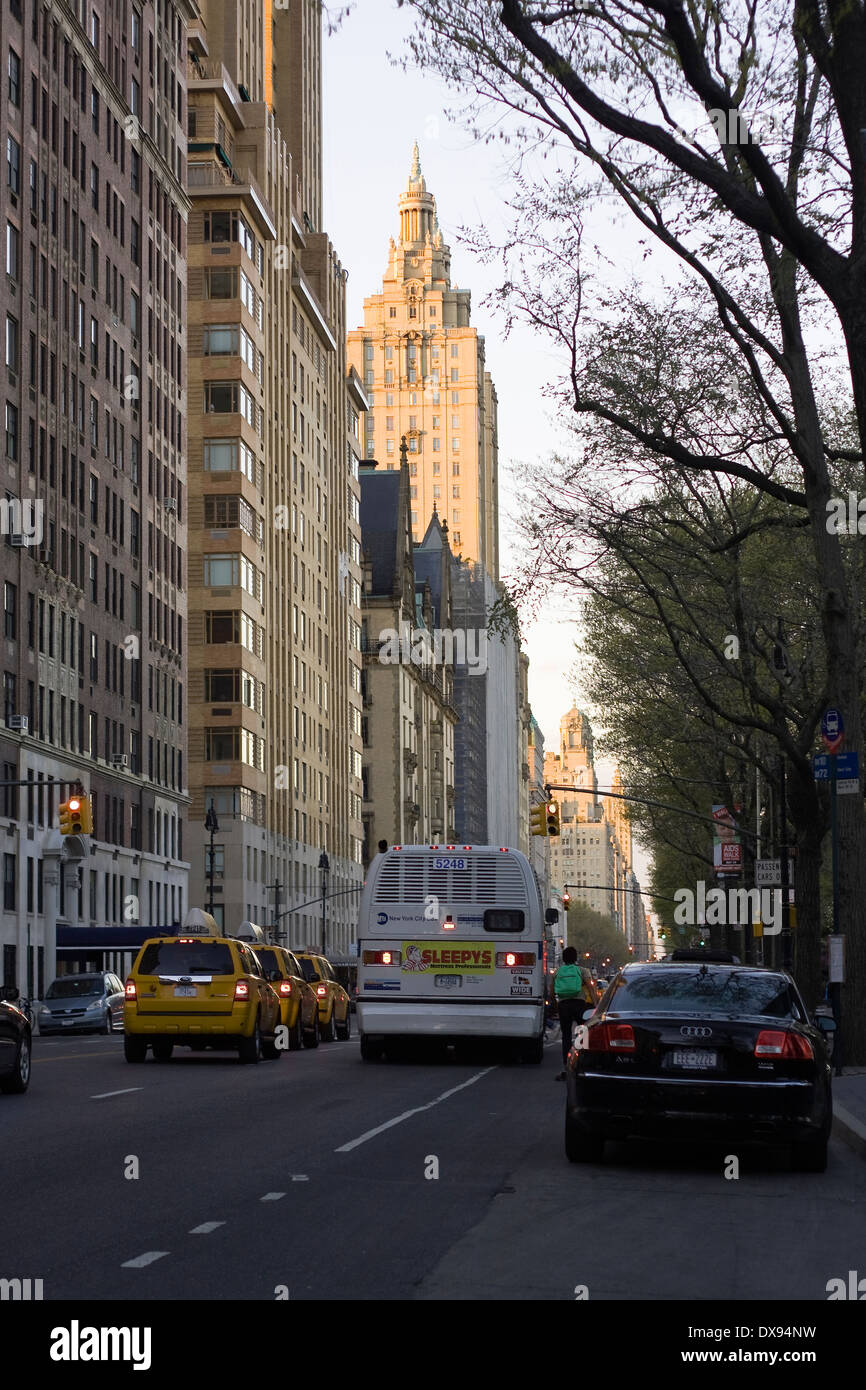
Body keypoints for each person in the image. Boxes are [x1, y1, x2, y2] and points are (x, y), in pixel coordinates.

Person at [554, 947, 595, 1080]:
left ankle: (567, 1067)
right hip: (579, 1004)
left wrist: (555, 1005)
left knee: (566, 1035)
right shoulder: (582, 970)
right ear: (575, 958)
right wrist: (596, 1004)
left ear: (563, 958)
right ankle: (582, 1063)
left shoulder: (558, 972)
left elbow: (551, 991)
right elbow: (590, 987)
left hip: (563, 1005)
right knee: (582, 1032)